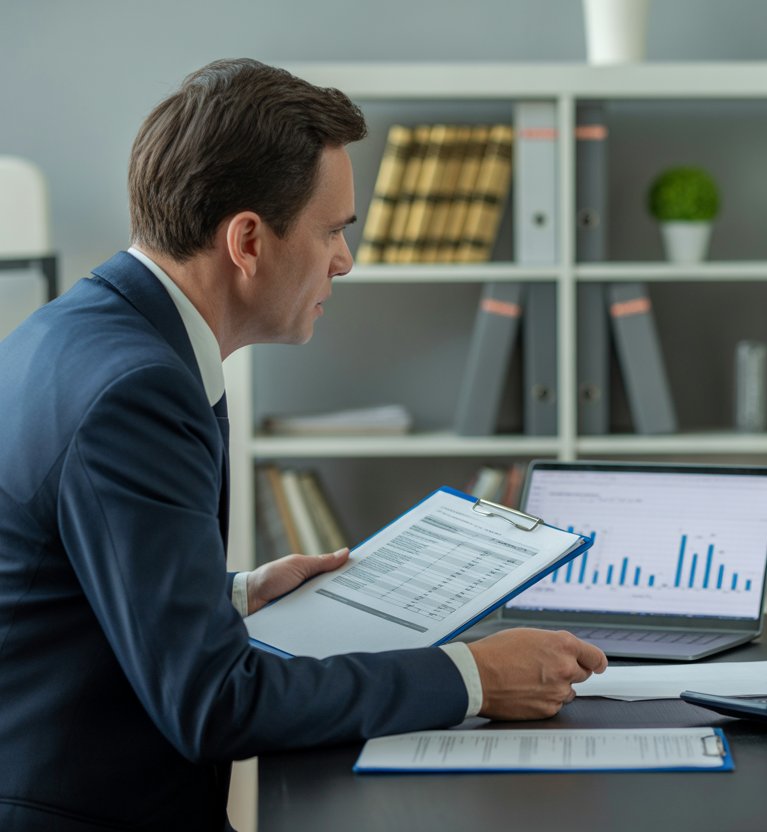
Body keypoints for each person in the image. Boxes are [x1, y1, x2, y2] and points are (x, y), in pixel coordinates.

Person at [0, 59, 607, 831]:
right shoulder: (138, 390)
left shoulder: (74, 331)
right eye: (332, 231)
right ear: (248, 240)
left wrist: (231, 595)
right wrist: (475, 676)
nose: (344, 261)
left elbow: (56, 587)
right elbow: (215, 702)